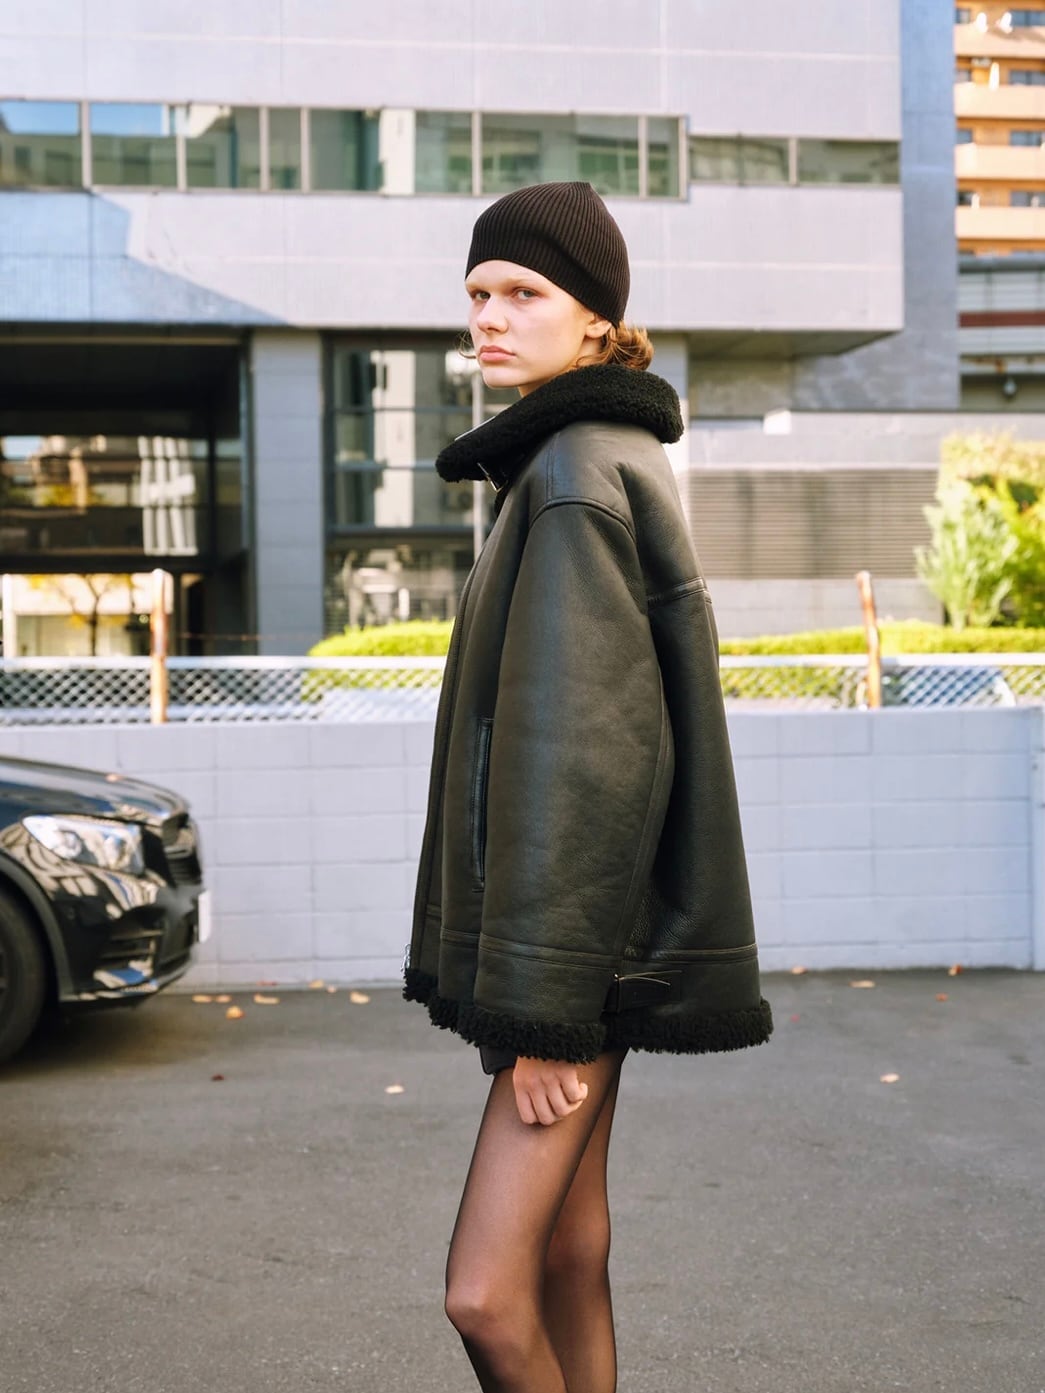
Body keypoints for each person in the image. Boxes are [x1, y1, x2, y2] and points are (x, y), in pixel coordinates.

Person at [404, 181, 772, 1393]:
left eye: (524, 292)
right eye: (477, 293)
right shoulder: (588, 458)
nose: (489, 317)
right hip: (584, 951)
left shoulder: (569, 475)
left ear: (597, 317)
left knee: (483, 1290)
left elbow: (586, 761)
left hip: (569, 965)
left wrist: (544, 1012)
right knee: (567, 1246)